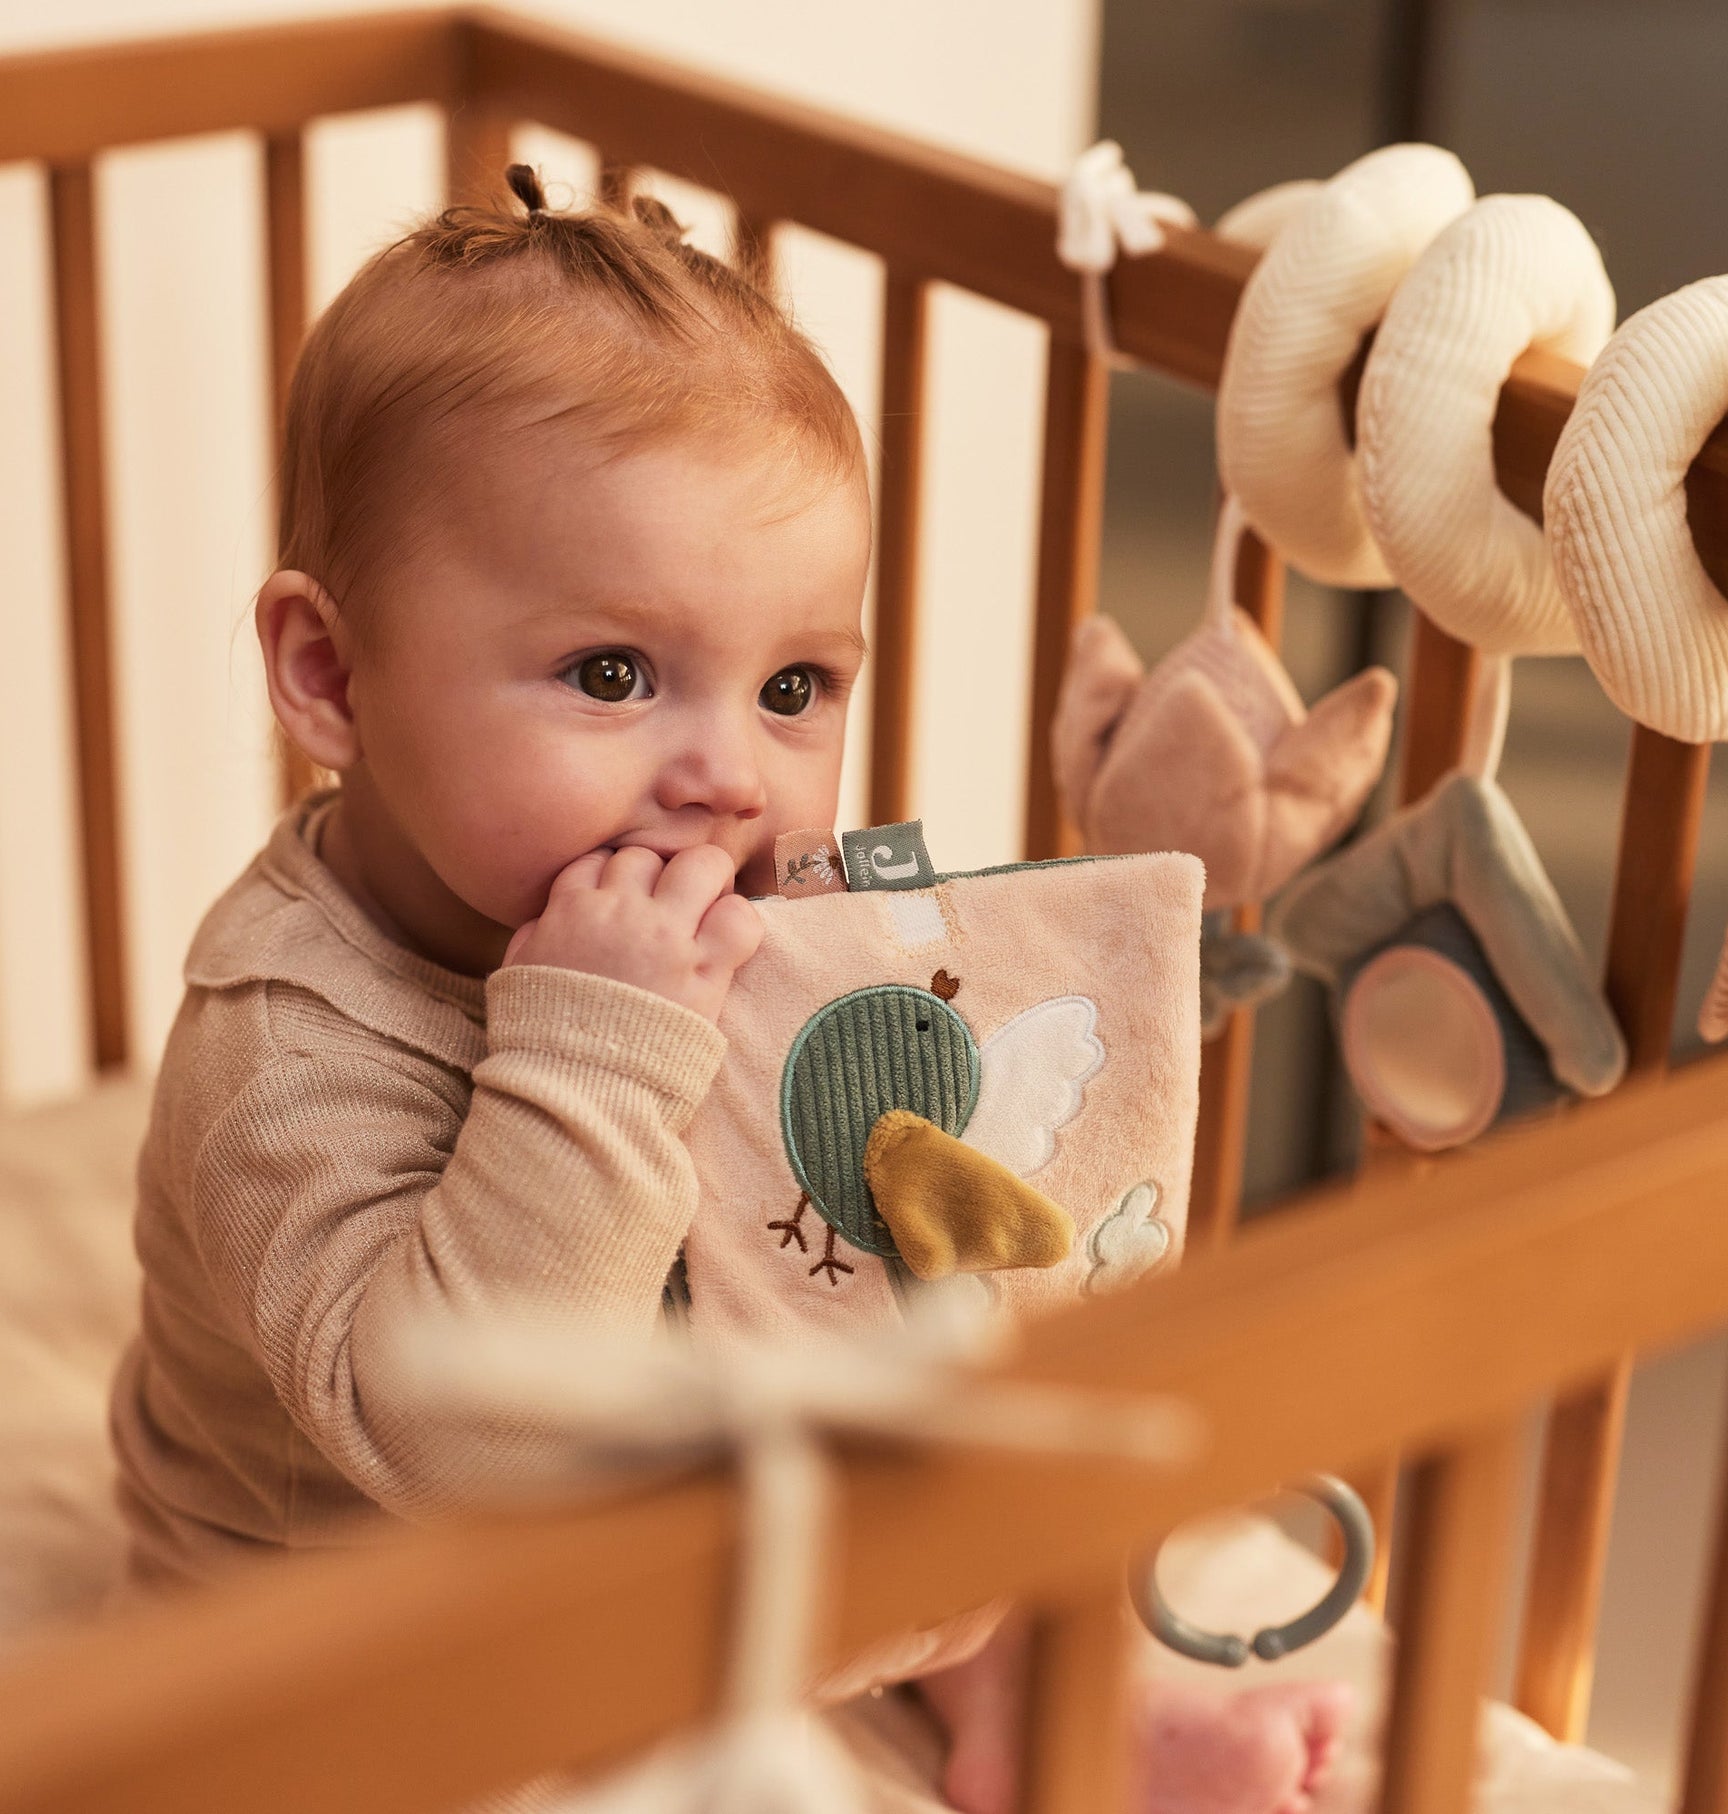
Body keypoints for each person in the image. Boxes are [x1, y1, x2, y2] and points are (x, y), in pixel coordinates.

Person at [107, 164, 1343, 1814]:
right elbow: (457, 1445)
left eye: (792, 686)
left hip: (649, 1496)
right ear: (332, 674)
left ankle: (1036, 1686)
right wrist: (599, 1050)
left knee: (922, 1400)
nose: (729, 776)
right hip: (363, 1651)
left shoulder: (675, 889)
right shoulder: (278, 1043)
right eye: (613, 674)